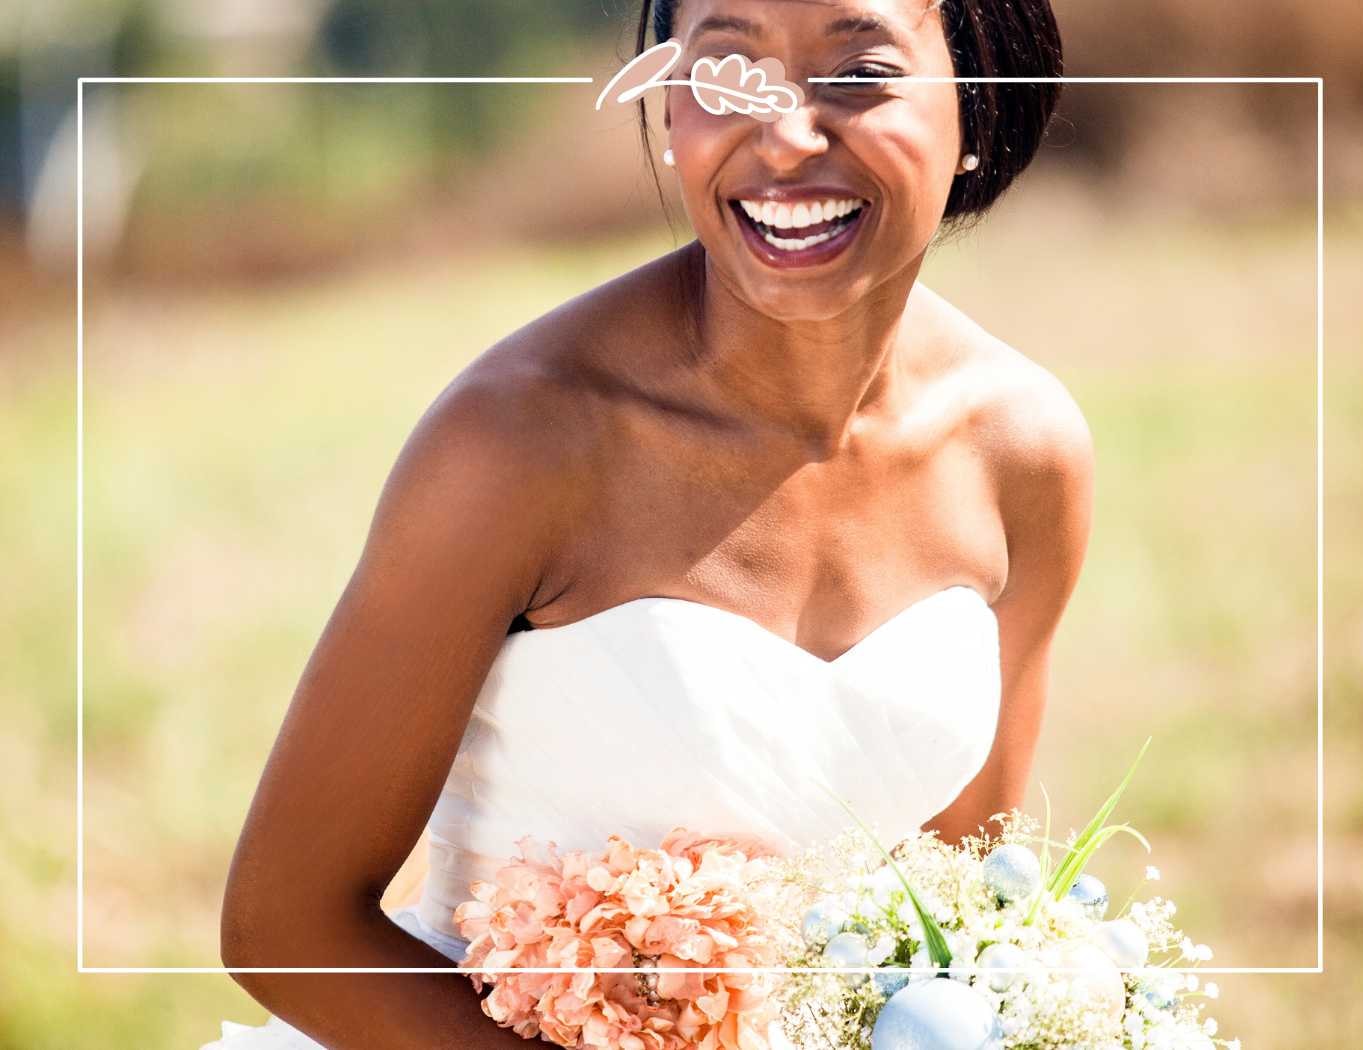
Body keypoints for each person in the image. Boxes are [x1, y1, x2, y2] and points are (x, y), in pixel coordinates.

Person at [203, 0, 1085, 1046]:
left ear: (974, 106)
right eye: (724, 72)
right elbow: (287, 926)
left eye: (857, 73)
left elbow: (954, 913)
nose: (787, 136)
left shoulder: (1023, 453)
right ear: (671, 114)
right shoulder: (520, 440)